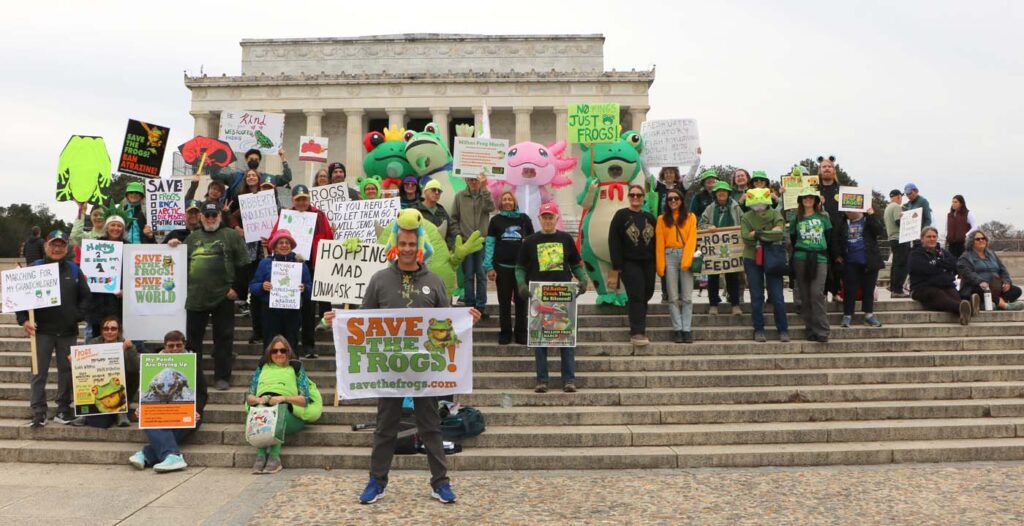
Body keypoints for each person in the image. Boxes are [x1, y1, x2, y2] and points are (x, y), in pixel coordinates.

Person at [324, 224, 482, 505]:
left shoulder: (434, 281)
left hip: (425, 370)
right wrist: (337, 321)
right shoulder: (379, 280)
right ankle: (377, 481)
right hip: (389, 370)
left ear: (420, 246)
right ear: (395, 246)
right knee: (385, 426)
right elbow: (363, 319)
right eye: (403, 244)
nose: (408, 249)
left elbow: (445, 322)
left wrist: (466, 318)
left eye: (412, 244)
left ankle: (440, 482)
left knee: (431, 426)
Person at [175, 201, 250, 391]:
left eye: (213, 215)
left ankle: (222, 377)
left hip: (223, 296)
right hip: (195, 297)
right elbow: (177, 264)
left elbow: (243, 265)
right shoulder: (191, 239)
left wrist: (238, 290)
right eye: (206, 215)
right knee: (192, 341)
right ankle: (193, 377)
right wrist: (172, 246)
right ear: (201, 217)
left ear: (220, 216)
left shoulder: (231, 236)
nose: (210, 219)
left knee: (224, 338)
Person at [18, 230, 90, 427]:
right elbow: (19, 298)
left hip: (67, 331)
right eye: (53, 244)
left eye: (61, 245)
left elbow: (86, 296)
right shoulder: (34, 268)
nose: (57, 248)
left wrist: (77, 315)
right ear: (46, 246)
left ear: (67, 248)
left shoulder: (75, 270)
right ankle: (39, 411)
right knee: (38, 372)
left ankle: (63, 409)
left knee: (66, 372)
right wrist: (24, 320)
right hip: (41, 331)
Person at [516, 203, 589, 392]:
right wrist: (521, 285)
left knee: (566, 340)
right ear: (539, 219)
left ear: (557, 218)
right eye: (544, 217)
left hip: (562, 295)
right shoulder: (530, 241)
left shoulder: (565, 239)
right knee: (540, 342)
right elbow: (520, 268)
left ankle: (569, 380)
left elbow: (575, 263)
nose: (547, 220)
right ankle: (542, 380)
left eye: (551, 217)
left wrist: (582, 278)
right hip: (539, 296)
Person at [128, 330, 208, 472]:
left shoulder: (193, 362)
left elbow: (202, 392)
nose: (175, 349)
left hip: (187, 411)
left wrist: (197, 410)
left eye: (179, 345)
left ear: (184, 345)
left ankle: (147, 454)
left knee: (176, 422)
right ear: (165, 346)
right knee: (148, 416)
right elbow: (146, 390)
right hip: (159, 410)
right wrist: (142, 408)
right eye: (171, 346)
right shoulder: (152, 363)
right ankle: (172, 456)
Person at [270, 185, 334, 359]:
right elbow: (274, 238)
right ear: (293, 200)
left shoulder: (320, 216)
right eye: (298, 199)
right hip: (289, 267)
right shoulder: (286, 216)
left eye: (304, 198)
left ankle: (308, 345)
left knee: (308, 308)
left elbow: (328, 238)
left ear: (309, 199)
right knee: (291, 309)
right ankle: (289, 346)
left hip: (312, 266)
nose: (302, 202)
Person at [244, 336, 322, 474]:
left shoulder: (296, 368)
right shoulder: (262, 368)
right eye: (275, 351)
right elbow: (249, 396)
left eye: (282, 350)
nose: (279, 354)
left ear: (288, 351)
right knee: (261, 411)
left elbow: (305, 399)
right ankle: (261, 455)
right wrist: (259, 400)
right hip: (265, 407)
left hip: (291, 414)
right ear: (270, 353)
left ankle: (274, 456)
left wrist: (283, 398)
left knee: (279, 410)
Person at [230, 171, 277, 343]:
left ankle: (270, 332)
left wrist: (272, 241)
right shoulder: (247, 201)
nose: (265, 190)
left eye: (268, 188)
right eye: (264, 188)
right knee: (256, 295)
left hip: (270, 254)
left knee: (270, 295)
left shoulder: (277, 206)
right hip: (252, 254)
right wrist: (237, 228)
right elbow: (232, 217)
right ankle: (257, 332)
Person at [483, 191, 534, 345]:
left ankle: (521, 333)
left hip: (521, 269)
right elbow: (490, 244)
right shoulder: (496, 220)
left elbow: (531, 243)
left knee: (521, 302)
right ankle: (505, 332)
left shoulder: (524, 219)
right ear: (501, 203)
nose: (507, 202)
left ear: (514, 202)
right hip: (502, 268)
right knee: (504, 302)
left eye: (510, 199)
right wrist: (489, 266)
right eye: (504, 199)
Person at [610, 184, 657, 345]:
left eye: (639, 195)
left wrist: (657, 263)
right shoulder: (621, 215)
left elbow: (656, 241)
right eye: (632, 195)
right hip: (629, 263)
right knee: (636, 294)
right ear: (628, 197)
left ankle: (639, 322)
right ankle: (637, 331)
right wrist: (618, 265)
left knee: (647, 293)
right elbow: (614, 241)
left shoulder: (650, 217)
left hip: (648, 262)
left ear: (643, 197)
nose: (635, 197)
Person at [249, 229, 312, 350]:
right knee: (270, 345)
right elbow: (253, 285)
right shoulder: (265, 263)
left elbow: (310, 288)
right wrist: (262, 286)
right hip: (270, 312)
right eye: (281, 243)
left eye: (287, 243)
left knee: (291, 345)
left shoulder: (300, 264)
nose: (284, 245)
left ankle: (292, 368)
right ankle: (269, 368)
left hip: (292, 312)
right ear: (274, 247)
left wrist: (305, 288)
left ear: (291, 246)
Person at [741, 190, 790, 343]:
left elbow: (780, 234)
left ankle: (783, 329)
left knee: (778, 296)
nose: (759, 206)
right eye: (755, 203)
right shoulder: (746, 216)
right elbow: (745, 238)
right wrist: (769, 232)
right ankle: (759, 329)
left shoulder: (776, 214)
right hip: (752, 258)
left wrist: (757, 233)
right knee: (756, 296)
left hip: (774, 257)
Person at [78, 315, 139, 428]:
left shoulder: (127, 343)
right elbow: (85, 366)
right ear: (101, 331)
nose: (109, 332)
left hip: (119, 385)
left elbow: (136, 367)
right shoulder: (93, 343)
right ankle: (85, 412)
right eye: (106, 329)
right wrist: (75, 360)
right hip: (99, 383)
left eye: (113, 329)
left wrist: (129, 349)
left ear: (119, 331)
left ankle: (122, 410)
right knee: (80, 373)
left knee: (133, 373)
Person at [789, 189, 832, 342]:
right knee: (805, 295)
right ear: (800, 200)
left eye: (810, 197)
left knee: (817, 293)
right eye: (804, 198)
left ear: (815, 200)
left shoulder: (823, 216)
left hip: (819, 257)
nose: (807, 200)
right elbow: (793, 238)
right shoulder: (796, 218)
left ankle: (822, 329)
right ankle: (810, 329)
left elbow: (828, 236)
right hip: (801, 257)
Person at [655, 187, 697, 343]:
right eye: (670, 199)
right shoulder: (661, 219)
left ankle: (687, 329)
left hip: (685, 253)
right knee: (672, 297)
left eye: (676, 199)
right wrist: (660, 265)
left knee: (687, 297)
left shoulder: (691, 217)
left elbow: (692, 239)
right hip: (669, 256)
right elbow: (659, 242)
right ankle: (677, 329)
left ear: (681, 201)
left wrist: (687, 259)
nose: (673, 201)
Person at [451, 172, 495, 316]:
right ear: (466, 180)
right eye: (470, 179)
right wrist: (459, 235)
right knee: (468, 275)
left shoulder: (485, 195)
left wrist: (485, 189)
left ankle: (481, 306)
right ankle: (469, 306)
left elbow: (491, 208)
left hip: (482, 242)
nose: (473, 182)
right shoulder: (459, 196)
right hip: (466, 242)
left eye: (476, 179)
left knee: (481, 275)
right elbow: (454, 218)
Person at [909, 226, 972, 324]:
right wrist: (942, 266)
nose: (932, 239)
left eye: (934, 236)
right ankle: (965, 308)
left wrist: (938, 264)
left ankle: (965, 311)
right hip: (923, 287)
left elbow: (954, 263)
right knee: (939, 295)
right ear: (922, 238)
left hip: (944, 284)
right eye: (929, 237)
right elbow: (926, 270)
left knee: (953, 294)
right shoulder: (915, 254)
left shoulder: (942, 252)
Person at [699, 181, 743, 315]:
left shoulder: (735, 206)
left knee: (733, 276)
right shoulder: (710, 208)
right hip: (714, 247)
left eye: (724, 191)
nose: (722, 193)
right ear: (715, 194)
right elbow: (701, 223)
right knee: (713, 276)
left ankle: (735, 304)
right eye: (719, 191)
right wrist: (708, 227)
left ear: (728, 193)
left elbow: (743, 221)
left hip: (732, 246)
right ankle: (713, 304)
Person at [836, 209, 885, 329]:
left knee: (868, 290)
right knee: (849, 290)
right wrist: (838, 255)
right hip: (850, 261)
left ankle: (869, 315)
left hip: (869, 261)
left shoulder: (868, 220)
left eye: (850, 210)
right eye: (846, 211)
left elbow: (879, 230)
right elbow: (836, 239)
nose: (847, 212)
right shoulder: (842, 222)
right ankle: (847, 315)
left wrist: (871, 214)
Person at [958, 230, 1023, 311]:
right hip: (978, 287)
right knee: (981, 290)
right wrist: (980, 281)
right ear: (971, 242)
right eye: (978, 239)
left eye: (983, 238)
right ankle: (1005, 305)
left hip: (996, 287)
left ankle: (988, 304)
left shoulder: (992, 253)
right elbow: (967, 273)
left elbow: (1003, 269)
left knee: (1016, 290)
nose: (981, 240)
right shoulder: (965, 257)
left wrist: (1006, 281)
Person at [814, 156, 844, 301]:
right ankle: (824, 293)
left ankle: (837, 291)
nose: (826, 168)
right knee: (823, 264)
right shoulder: (813, 190)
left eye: (829, 166)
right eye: (823, 166)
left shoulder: (842, 189)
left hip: (838, 232)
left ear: (834, 170)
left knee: (838, 263)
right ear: (819, 171)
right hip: (819, 233)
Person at [212, 148, 293, 199]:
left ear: (259, 161)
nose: (253, 160)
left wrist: (283, 159)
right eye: (251, 158)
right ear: (246, 160)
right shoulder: (235, 177)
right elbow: (215, 176)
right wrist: (218, 159)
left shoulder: (267, 178)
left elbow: (287, 177)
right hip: (236, 218)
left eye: (256, 159)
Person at [883, 189, 910, 297]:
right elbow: (898, 221)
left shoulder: (888, 207)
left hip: (892, 238)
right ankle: (897, 290)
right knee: (902, 264)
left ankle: (893, 287)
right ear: (898, 197)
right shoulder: (896, 207)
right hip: (900, 238)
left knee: (896, 264)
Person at [414, 179, 455, 249]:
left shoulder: (441, 210)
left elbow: (450, 231)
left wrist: (448, 247)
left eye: (439, 191)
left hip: (440, 250)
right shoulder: (415, 210)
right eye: (433, 190)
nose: (436, 193)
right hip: (422, 251)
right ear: (425, 192)